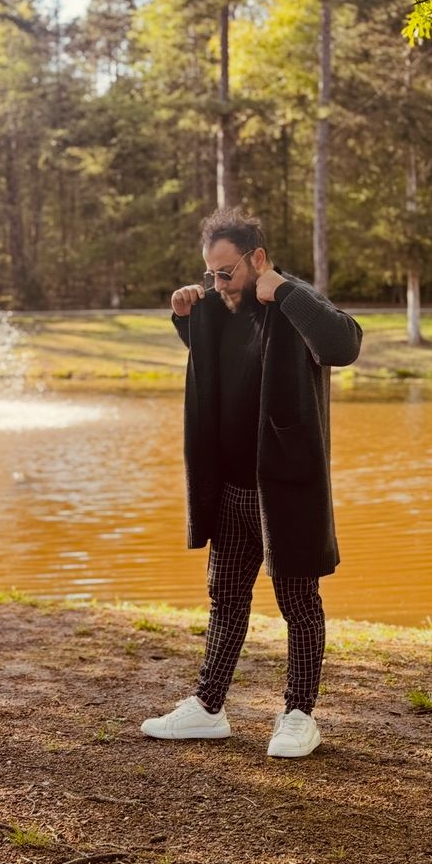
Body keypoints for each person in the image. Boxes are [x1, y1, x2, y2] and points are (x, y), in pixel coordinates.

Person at [141, 207, 362, 757]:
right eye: (210, 273)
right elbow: (222, 367)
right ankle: (208, 707)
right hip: (230, 489)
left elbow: (343, 346)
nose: (218, 283)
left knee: (298, 601)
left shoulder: (295, 300)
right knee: (225, 598)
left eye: (226, 272)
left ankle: (298, 716)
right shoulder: (222, 307)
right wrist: (185, 317)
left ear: (257, 258)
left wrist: (284, 291)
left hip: (284, 490)